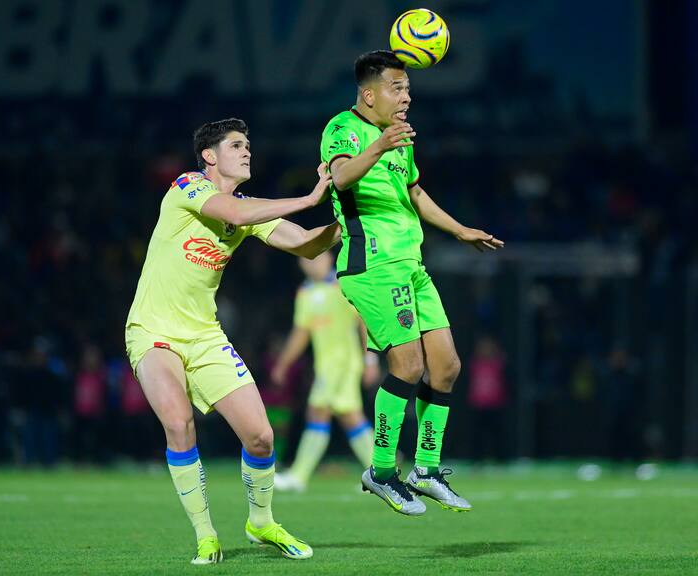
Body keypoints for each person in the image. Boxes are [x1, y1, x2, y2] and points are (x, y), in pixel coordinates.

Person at [125, 118, 339, 564]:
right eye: (237, 145)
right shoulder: (188, 186)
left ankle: (260, 522)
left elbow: (305, 245)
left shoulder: (244, 206)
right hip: (153, 331)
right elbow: (237, 214)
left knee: (261, 437)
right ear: (209, 155)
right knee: (179, 422)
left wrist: (351, 220)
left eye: (248, 145)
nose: (247, 152)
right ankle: (206, 535)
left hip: (205, 336)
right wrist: (310, 196)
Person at [319, 51, 504, 515]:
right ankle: (381, 472)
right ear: (369, 94)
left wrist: (459, 229)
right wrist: (380, 144)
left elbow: (414, 192)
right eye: (397, 89)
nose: (406, 97)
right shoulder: (343, 129)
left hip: (410, 265)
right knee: (407, 365)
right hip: (372, 264)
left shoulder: (400, 139)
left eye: (408, 89)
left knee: (446, 367)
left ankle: (425, 469)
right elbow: (341, 178)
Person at [270, 251, 380, 492]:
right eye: (306, 258)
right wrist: (283, 363)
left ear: (329, 259)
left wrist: (370, 359)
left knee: (317, 411)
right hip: (326, 366)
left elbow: (364, 321)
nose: (311, 263)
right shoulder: (306, 292)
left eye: (316, 257)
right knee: (350, 416)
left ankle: (298, 476)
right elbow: (301, 332)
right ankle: (381, 473)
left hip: (344, 362)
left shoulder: (342, 285)